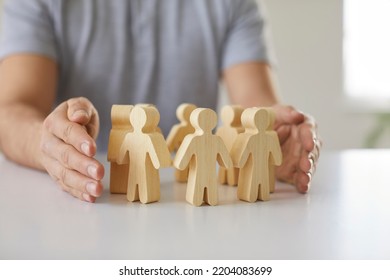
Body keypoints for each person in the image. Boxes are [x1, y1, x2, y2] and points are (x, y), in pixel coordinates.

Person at [0, 0, 321, 203]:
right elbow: (12, 107)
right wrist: (47, 143)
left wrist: (281, 135)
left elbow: (254, 111)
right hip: (90, 195)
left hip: (182, 199)